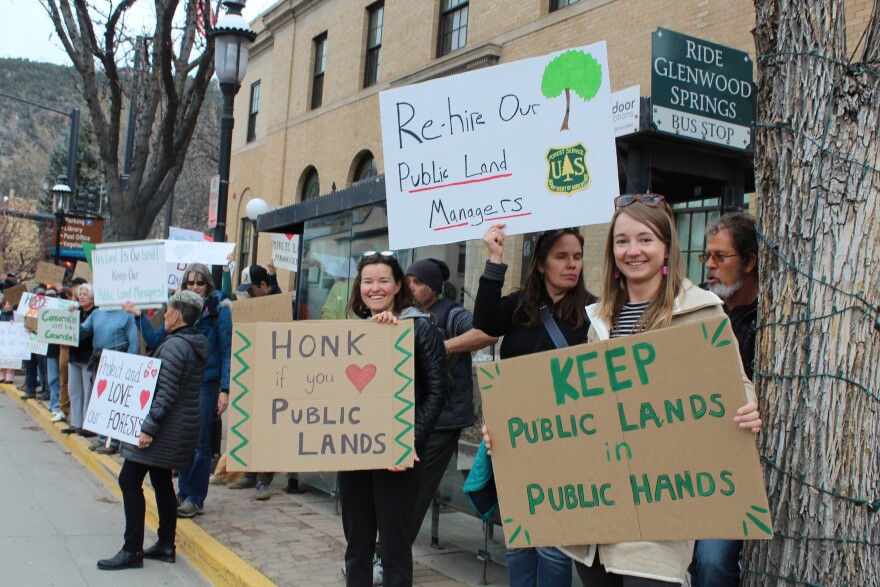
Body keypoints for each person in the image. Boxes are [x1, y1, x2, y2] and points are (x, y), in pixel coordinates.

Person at [537, 193, 760, 586]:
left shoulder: (702, 312)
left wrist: (748, 407)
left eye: (645, 239)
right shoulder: (600, 321)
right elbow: (578, 410)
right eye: (622, 241)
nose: (632, 250)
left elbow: (734, 386)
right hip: (597, 521)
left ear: (666, 248)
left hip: (659, 516)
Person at [473, 225, 596, 587]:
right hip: (517, 441)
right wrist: (495, 258)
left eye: (576, 257)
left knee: (554, 546)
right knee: (520, 541)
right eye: (561, 257)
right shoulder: (519, 305)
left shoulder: (593, 311)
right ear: (541, 264)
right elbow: (484, 321)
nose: (571, 265)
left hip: (567, 444)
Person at [339, 250, 447, 587]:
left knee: (394, 548)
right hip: (355, 453)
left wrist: (409, 441)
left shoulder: (419, 328)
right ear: (359, 289)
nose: (375, 288)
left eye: (383, 280)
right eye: (368, 281)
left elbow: (436, 392)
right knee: (356, 546)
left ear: (398, 285)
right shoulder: (351, 334)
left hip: (399, 457)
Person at [96, 290, 209, 570]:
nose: (165, 315)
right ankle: (165, 544)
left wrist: (148, 428)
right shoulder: (192, 342)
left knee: (129, 479)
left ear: (177, 315)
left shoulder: (175, 347)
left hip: (164, 428)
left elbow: (166, 392)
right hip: (178, 427)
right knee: (161, 481)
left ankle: (132, 549)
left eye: (168, 311)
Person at [125, 263, 232, 518]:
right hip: (179, 382)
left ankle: (196, 497)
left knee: (200, 442)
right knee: (184, 441)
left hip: (206, 382)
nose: (194, 287)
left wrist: (225, 389)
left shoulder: (219, 309)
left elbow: (227, 350)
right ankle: (183, 492)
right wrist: (139, 316)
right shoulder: (178, 310)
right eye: (190, 283)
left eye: (199, 283)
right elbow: (155, 340)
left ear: (208, 285)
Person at [689, 212, 759, 587]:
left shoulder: (770, 319)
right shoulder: (695, 306)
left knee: (713, 562)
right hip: (688, 457)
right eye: (706, 257)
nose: (710, 266)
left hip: (736, 465)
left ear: (749, 261)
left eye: (720, 256)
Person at [404, 258, 496, 543]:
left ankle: (390, 553)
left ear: (433, 288)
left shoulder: (451, 314)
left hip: (443, 418)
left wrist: (441, 346)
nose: (412, 288)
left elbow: (485, 331)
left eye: (418, 283)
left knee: (415, 490)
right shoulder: (407, 314)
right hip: (413, 414)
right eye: (408, 283)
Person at [228, 260, 283, 499]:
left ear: (263, 286)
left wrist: (275, 278)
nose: (246, 295)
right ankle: (250, 472)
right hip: (251, 370)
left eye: (250, 290)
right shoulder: (248, 305)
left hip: (273, 374)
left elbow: (279, 306)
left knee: (269, 426)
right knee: (248, 422)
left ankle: (264, 478)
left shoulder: (275, 302)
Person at [80, 294, 140, 455]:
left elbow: (133, 342)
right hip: (99, 359)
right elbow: (82, 331)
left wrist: (130, 365)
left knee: (114, 402)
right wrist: (68, 320)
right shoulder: (96, 313)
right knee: (100, 401)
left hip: (117, 361)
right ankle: (102, 438)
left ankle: (113, 441)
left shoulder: (127, 315)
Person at [62, 284, 97, 437]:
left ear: (93, 298)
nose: (81, 296)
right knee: (74, 391)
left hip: (87, 357)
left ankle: (87, 426)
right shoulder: (76, 312)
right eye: (80, 294)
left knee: (87, 391)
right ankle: (76, 423)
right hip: (74, 356)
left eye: (85, 294)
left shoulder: (95, 314)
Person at [0, 293, 15, 383]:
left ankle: (9, 377)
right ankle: (1, 375)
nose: (9, 306)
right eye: (8, 304)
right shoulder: (1, 315)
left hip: (11, 342)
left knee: (10, 358)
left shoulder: (14, 315)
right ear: (3, 305)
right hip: (2, 341)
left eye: (11, 304)